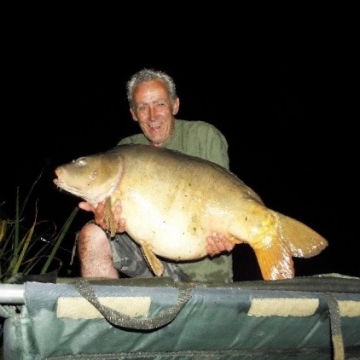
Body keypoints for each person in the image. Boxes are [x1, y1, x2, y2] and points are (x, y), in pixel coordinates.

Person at [77, 68, 235, 283]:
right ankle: (103, 312)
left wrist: (226, 234)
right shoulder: (126, 151)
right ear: (134, 113)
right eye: (143, 107)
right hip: (151, 262)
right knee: (91, 235)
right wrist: (109, 220)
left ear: (175, 105)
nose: (153, 116)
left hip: (204, 268)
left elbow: (225, 200)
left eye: (160, 104)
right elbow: (117, 219)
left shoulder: (204, 137)